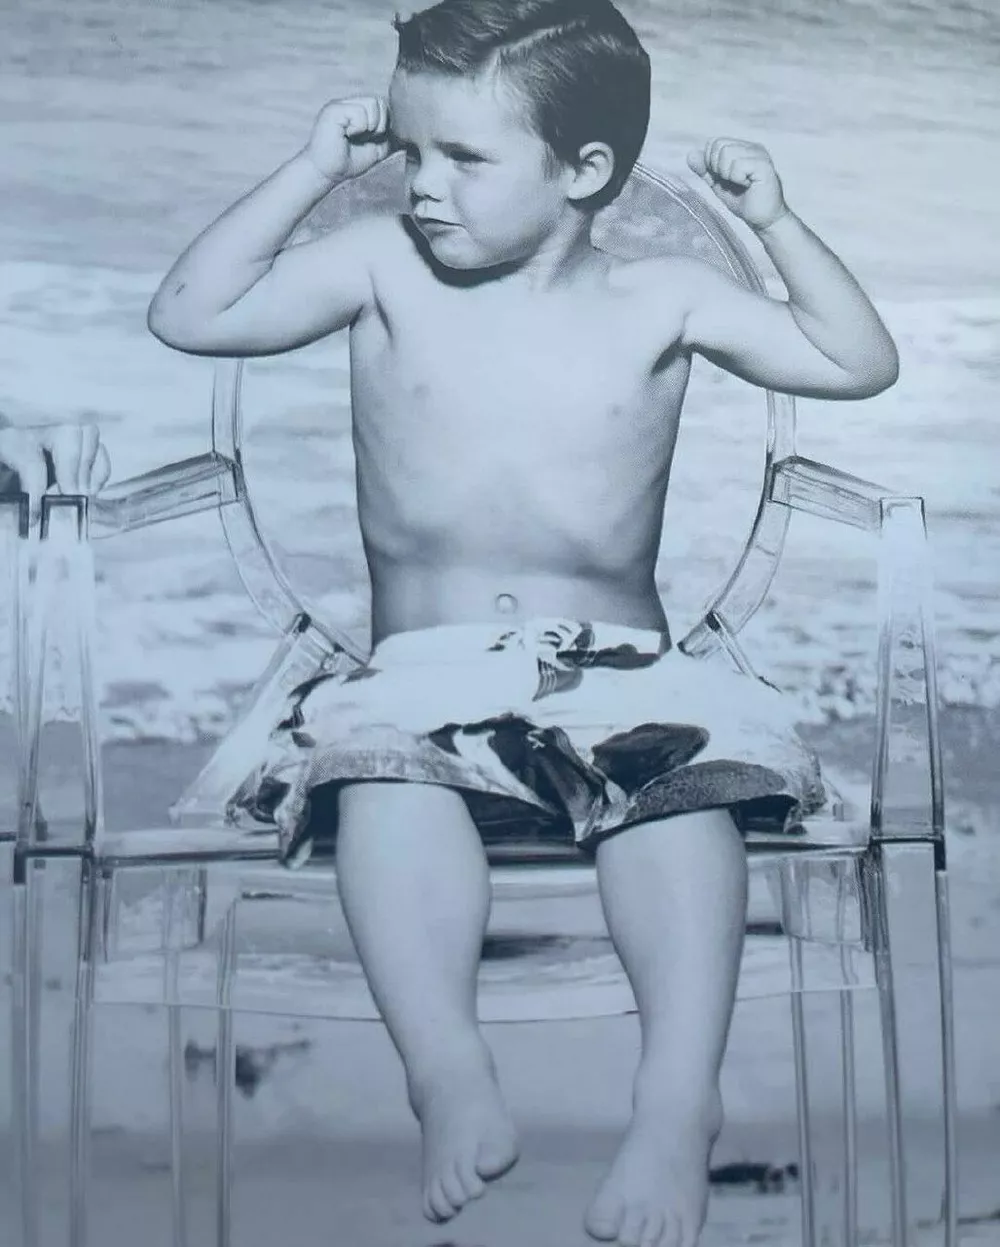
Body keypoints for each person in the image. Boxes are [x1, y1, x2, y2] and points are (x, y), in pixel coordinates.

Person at [147, 1, 899, 1243]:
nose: (421, 184)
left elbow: (855, 360)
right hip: (418, 665)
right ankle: (445, 1065)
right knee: (385, 786)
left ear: (582, 171)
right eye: (408, 150)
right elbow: (191, 313)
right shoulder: (380, 266)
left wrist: (774, 223)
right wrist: (309, 171)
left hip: (621, 665)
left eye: (463, 157)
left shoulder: (661, 296)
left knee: (678, 801)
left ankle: (676, 1099)